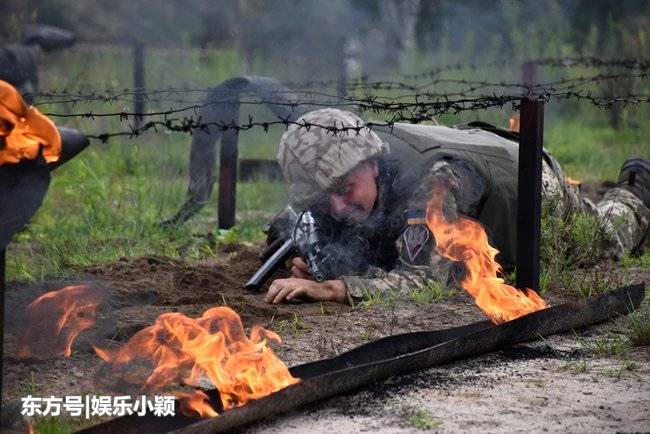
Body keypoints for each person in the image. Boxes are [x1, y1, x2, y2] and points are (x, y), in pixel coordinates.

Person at [265, 108, 650, 305]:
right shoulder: (349, 150)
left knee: (608, 237)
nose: (336, 206)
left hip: (527, 184)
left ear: (372, 164)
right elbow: (294, 220)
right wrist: (312, 252)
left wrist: (333, 288)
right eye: (322, 198)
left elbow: (427, 279)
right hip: (474, 144)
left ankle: (634, 193)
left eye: (345, 189)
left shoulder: (433, 186)